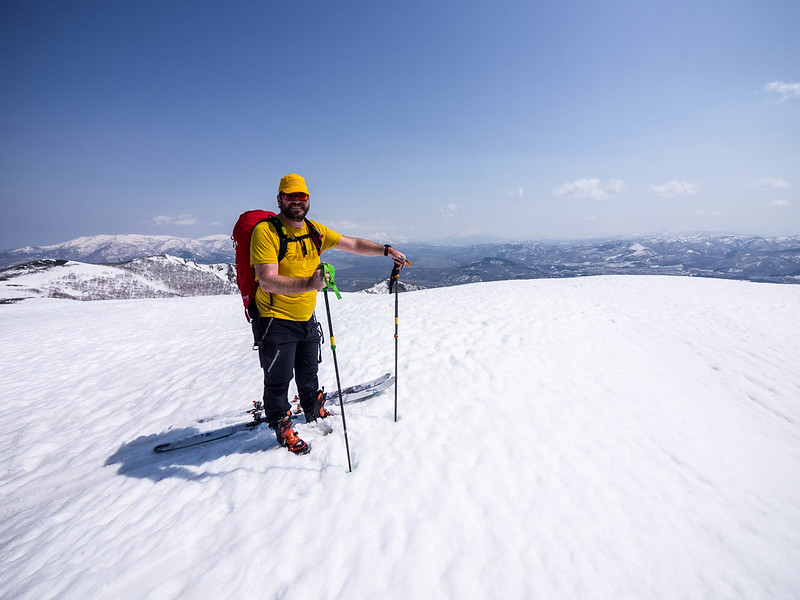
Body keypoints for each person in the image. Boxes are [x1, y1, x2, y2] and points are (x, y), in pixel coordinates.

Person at [251, 173, 408, 455]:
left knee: (309, 371)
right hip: (275, 319)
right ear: (280, 200)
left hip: (305, 316)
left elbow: (353, 244)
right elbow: (267, 280)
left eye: (301, 196)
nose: (297, 201)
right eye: (290, 196)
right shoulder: (266, 232)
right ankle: (281, 423)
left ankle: (313, 409)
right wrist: (309, 284)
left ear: (308, 200)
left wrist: (386, 251)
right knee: (278, 378)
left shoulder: (314, 231)